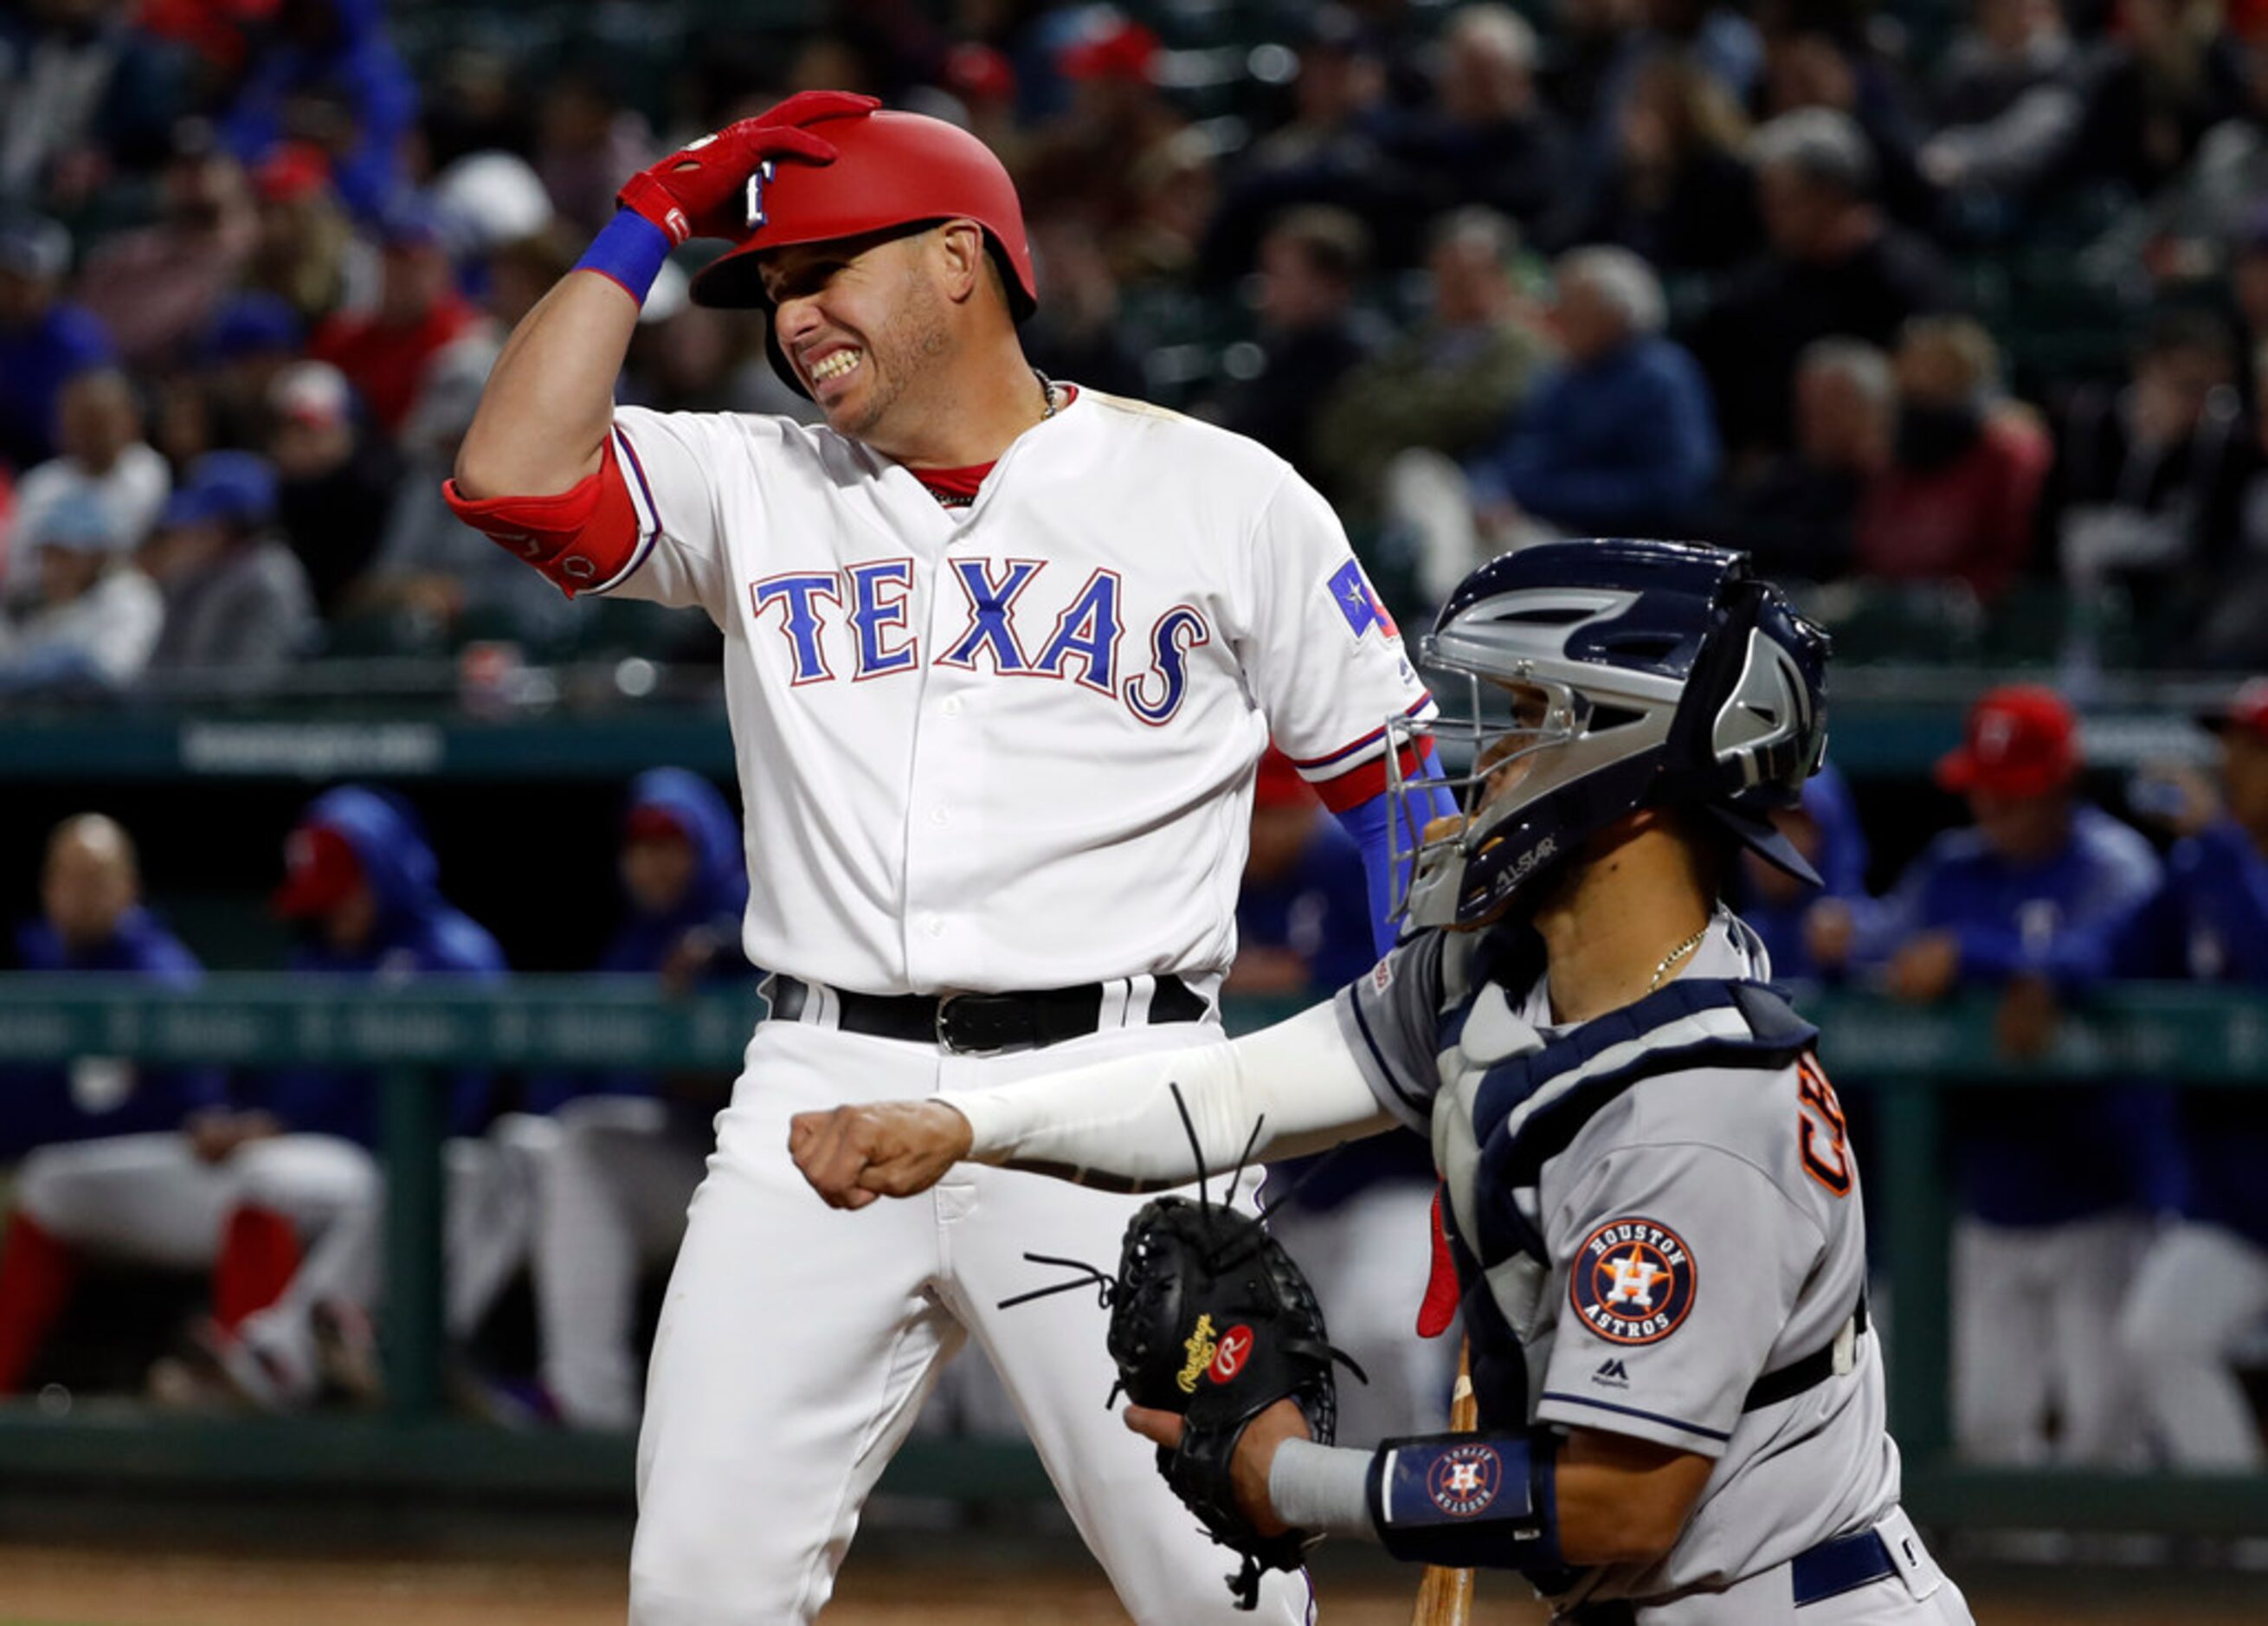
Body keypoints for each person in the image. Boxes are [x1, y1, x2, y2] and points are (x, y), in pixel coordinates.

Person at [443, 92, 1437, 1623]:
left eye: (826, 266)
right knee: (698, 1585)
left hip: (1122, 1097)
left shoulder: (1220, 492)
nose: (796, 316)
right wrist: (648, 214)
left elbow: (1397, 793)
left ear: (964, 261)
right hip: (819, 1093)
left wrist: (1446, 1063)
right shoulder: (755, 482)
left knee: (1216, 1586)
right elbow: (512, 473)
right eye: (771, 286)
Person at [792, 539, 1974, 1626]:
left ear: (1621, 758)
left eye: (1522, 717)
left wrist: (1292, 1477)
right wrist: (963, 1123)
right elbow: (1224, 1098)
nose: (1487, 763)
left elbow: (1621, 1503)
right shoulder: (1506, 978)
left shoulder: (1697, 1111)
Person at [1807, 684, 2164, 1466]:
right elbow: (1883, 943)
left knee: (2104, 1430)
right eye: (1986, 791)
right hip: (1989, 1193)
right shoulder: (1952, 867)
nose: (1994, 810)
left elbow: (2107, 951)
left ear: (2063, 783)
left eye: (2015, 793)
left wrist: (1979, 956)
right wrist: (1854, 938)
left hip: (2099, 1197)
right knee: (1986, 1426)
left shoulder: (2114, 865)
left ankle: (2149, 1584)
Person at [2068, 680, 2268, 1469]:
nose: (2233, 767)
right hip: (2235, 1205)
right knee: (2158, 1341)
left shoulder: (2217, 859)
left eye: (2254, 754)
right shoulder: (2200, 870)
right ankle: (2245, 1542)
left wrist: (2217, 843)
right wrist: (2028, 973)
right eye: (2233, 750)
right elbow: (2110, 948)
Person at [525, 769, 750, 1430]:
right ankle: (585, 1403)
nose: (653, 866)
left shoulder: (758, 919)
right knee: (570, 1142)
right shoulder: (634, 944)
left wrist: (721, 958)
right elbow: (572, 1078)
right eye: (640, 849)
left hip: (784, 1169)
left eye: (671, 847)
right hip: (685, 1171)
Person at [1466, 245, 1719, 540]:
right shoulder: (1564, 373)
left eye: (1573, 306)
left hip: (1600, 541)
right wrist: (1490, 493)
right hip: (1518, 516)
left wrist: (1539, 497)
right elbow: (1514, 449)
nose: (1557, 316)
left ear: (1616, 314)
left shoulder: (1662, 377)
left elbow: (1672, 487)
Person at [1852, 316, 2051, 602]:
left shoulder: (2007, 451)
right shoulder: (1899, 451)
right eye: (1914, 374)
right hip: (1897, 613)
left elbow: (2013, 555)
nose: (1923, 386)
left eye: (1940, 373)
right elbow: (1874, 549)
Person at [140, 449, 318, 687]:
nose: (187, 533)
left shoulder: (268, 580)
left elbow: (250, 683)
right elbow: (159, 666)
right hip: (181, 711)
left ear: (234, 528)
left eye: (203, 523)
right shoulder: (197, 574)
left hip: (235, 719)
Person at [0, 491, 163, 693]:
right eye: (48, 555)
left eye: (65, 556)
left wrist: (68, 666)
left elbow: (114, 670)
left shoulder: (130, 596)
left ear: (97, 557)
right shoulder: (33, 601)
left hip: (111, 717)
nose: (52, 568)